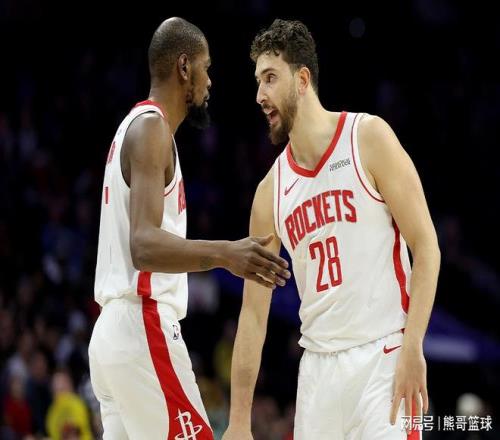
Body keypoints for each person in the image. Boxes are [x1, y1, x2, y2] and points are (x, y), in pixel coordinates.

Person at [223, 19, 440, 440]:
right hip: (318, 374)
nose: (260, 95)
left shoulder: (368, 138)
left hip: (382, 358)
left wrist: (414, 345)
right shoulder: (270, 192)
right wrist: (238, 420)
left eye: (271, 78)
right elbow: (253, 314)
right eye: (258, 81)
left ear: (302, 80)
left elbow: (426, 245)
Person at [88, 17, 290, 440]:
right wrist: (227, 254)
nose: (210, 81)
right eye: (206, 67)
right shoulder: (151, 128)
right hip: (141, 325)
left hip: (114, 335)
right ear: (184, 67)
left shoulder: (136, 127)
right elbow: (143, 245)